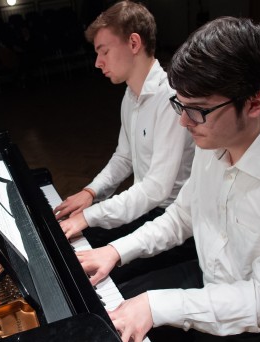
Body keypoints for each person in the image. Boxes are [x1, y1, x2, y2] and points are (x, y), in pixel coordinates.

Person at [77, 16, 260, 342]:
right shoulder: (213, 140)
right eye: (179, 104)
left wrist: (157, 305)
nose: (183, 121)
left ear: (254, 103)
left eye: (197, 111)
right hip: (219, 282)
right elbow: (181, 217)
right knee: (104, 314)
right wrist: (115, 251)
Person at [54, 1, 195, 283]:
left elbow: (156, 189)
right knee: (65, 247)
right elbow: (124, 157)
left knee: (90, 273)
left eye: (103, 51)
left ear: (133, 43)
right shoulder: (130, 96)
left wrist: (91, 216)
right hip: (146, 208)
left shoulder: (170, 100)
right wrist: (91, 192)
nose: (98, 62)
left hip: (174, 222)